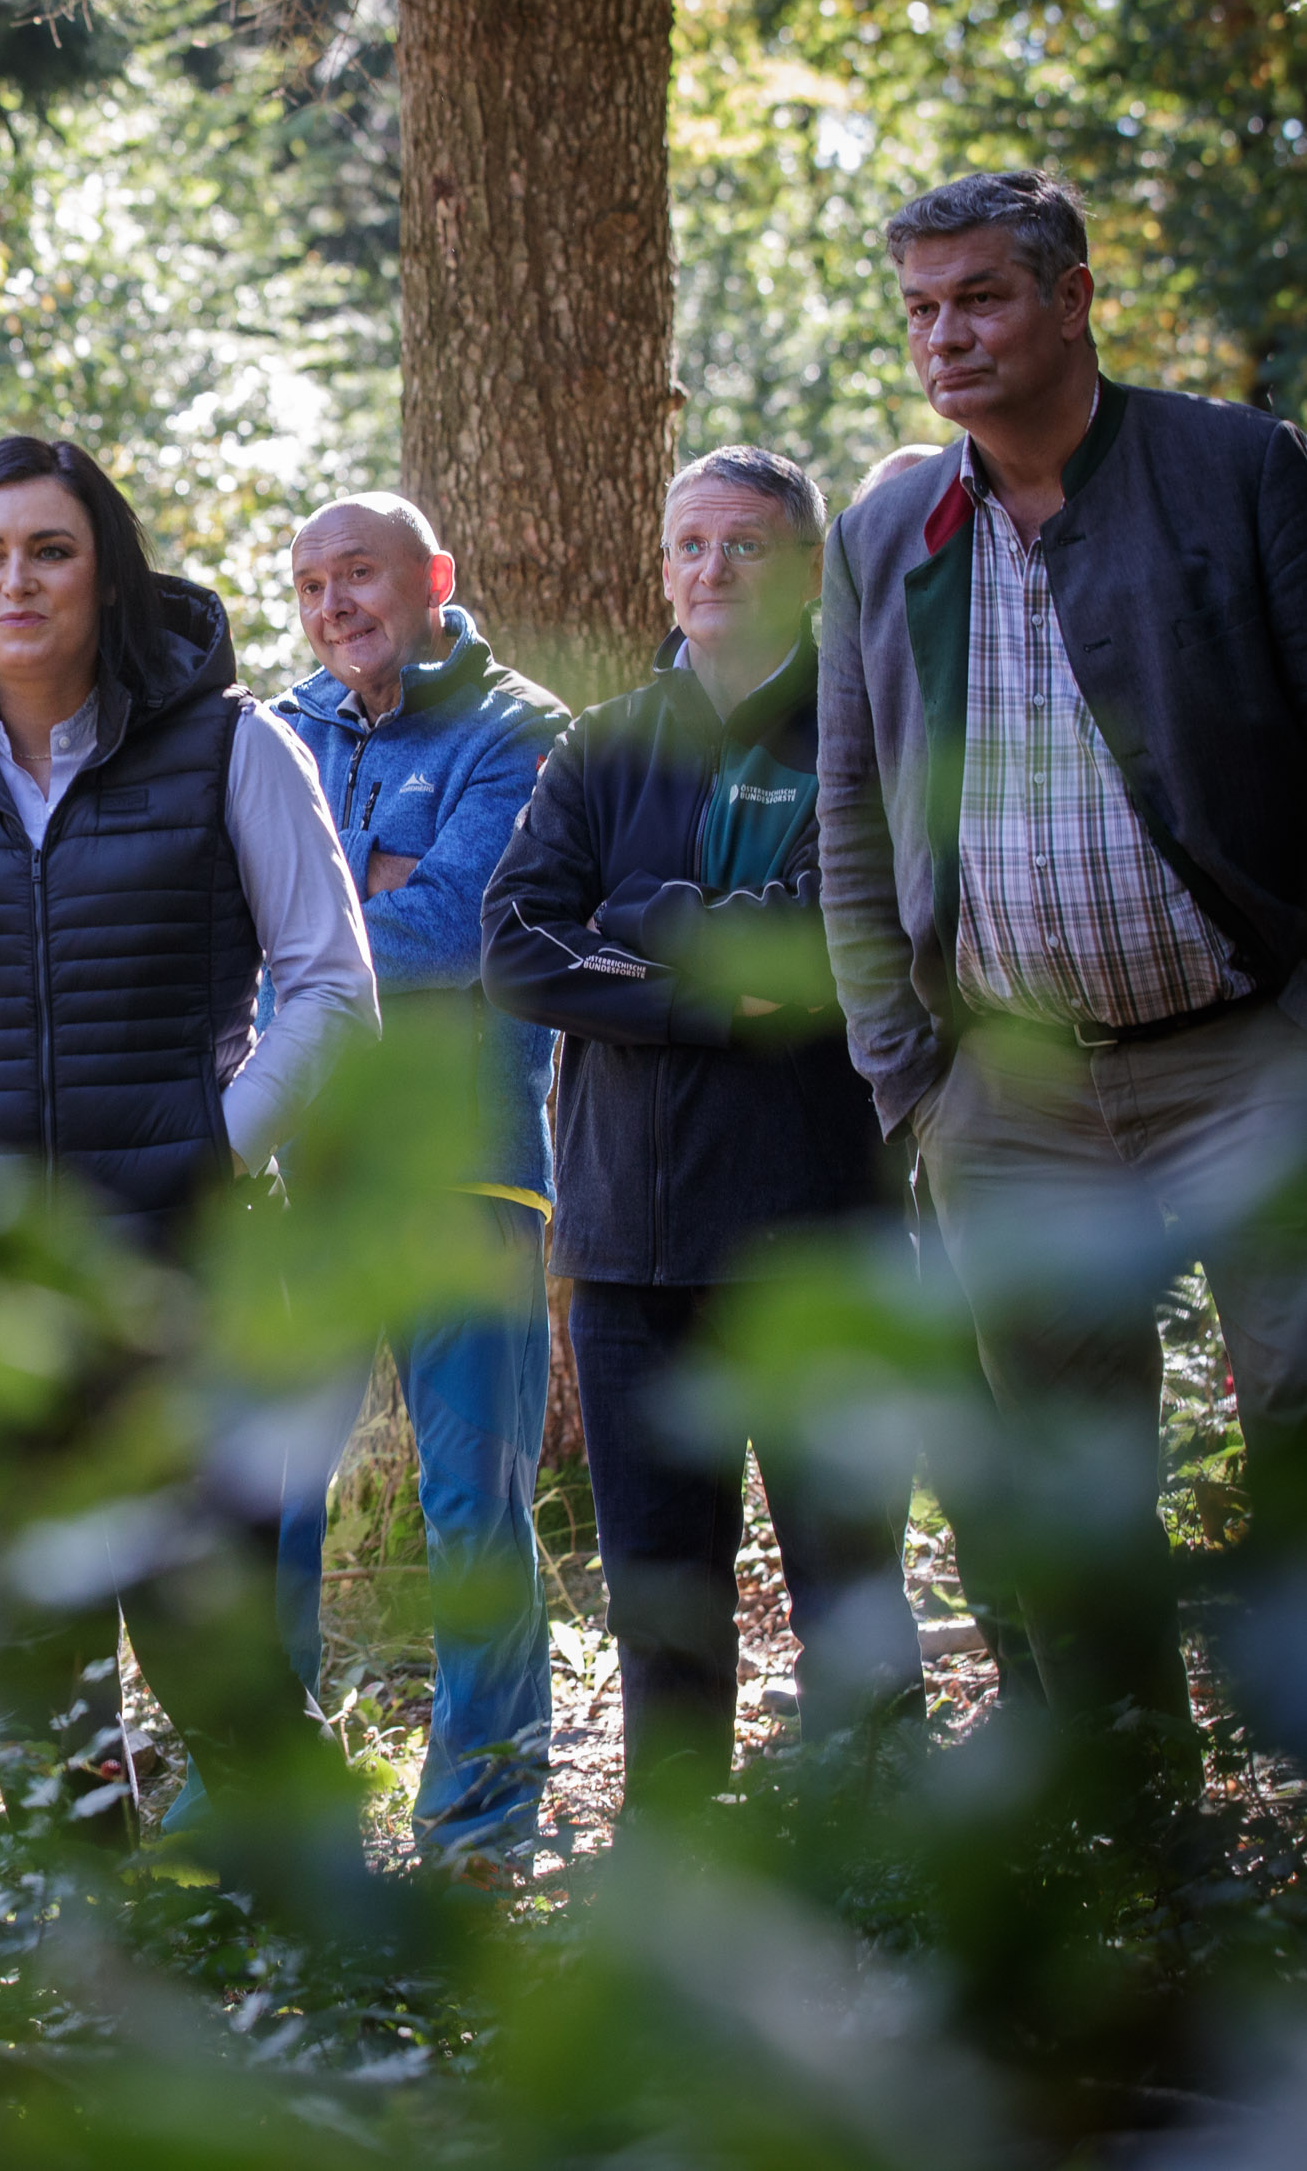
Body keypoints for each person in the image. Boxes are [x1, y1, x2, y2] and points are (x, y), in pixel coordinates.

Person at [0, 435, 377, 1833]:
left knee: (219, 1662)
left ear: (108, 575)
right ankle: (87, 2001)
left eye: (50, 549)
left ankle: (320, 1978)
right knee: (36, 1677)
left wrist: (212, 1141)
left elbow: (332, 986)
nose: (17, 580)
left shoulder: (236, 747)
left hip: (191, 1284)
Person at [819, 169, 1307, 1817]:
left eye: (979, 299)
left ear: (1073, 297)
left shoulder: (1235, 470)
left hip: (1252, 1050)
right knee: (1064, 1479)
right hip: (1008, 1095)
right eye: (921, 310)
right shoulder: (888, 532)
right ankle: (1144, 1846)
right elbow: (849, 805)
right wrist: (911, 1074)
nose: (944, 337)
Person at [485, 445, 924, 1808]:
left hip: (819, 1235)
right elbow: (515, 946)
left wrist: (634, 920)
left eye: (744, 546)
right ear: (663, 570)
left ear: (807, 572)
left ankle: (887, 1884)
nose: (711, 570)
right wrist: (703, 1000)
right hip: (629, 1252)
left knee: (848, 1586)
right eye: (689, 546)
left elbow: (836, 939)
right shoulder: (603, 745)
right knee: (662, 1602)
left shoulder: (861, 735)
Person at [267, 493, 570, 1877]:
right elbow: (228, 927)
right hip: (304, 1176)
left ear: (434, 577)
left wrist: (312, 934)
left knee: (473, 1509)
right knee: (266, 1489)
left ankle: (484, 1817)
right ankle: (263, 1797)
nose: (336, 605)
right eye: (312, 584)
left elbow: (457, 929)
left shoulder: (521, 730)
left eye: (361, 575)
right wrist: (363, 900)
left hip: (470, 1175)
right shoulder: (279, 732)